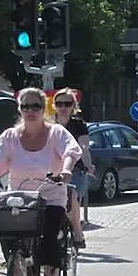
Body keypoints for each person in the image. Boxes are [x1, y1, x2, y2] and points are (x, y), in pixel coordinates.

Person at [0, 87, 82, 276]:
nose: (30, 111)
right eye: (25, 106)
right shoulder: (11, 136)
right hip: (21, 195)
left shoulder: (56, 133)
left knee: (49, 237)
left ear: (44, 109)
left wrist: (66, 170)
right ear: (19, 110)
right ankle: (16, 273)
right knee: (6, 230)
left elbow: (71, 151)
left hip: (50, 194)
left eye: (36, 106)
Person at [49, 87, 94, 248]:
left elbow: (83, 147)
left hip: (75, 170)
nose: (63, 107)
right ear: (54, 105)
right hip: (51, 170)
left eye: (67, 103)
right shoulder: (48, 124)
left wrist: (88, 164)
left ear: (73, 106)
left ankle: (77, 232)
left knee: (71, 195)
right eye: (59, 103)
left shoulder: (79, 125)